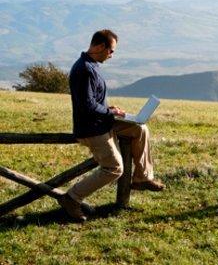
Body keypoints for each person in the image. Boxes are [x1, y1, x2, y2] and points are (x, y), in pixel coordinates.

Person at [58, 29, 165, 222]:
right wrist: (110, 112)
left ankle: (142, 178)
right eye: (111, 51)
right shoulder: (84, 69)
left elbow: (93, 101)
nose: (112, 55)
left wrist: (109, 108)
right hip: (92, 129)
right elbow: (86, 105)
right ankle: (71, 198)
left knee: (140, 128)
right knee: (114, 168)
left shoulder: (92, 65)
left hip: (103, 122)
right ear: (100, 46)